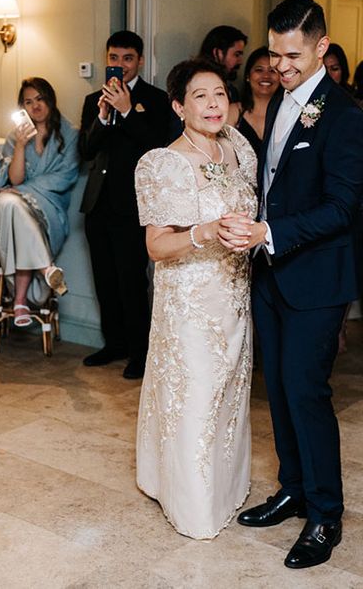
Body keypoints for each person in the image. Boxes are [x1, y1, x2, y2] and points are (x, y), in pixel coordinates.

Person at [223, 0, 363, 569]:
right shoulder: (281, 99)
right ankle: (294, 489)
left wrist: (268, 232)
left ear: (321, 48)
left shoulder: (346, 115)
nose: (278, 66)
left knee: (307, 392)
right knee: (277, 389)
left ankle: (326, 513)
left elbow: (344, 207)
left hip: (317, 278)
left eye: (292, 55)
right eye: (275, 53)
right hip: (270, 273)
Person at [134, 58, 256, 539]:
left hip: (234, 295)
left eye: (220, 94)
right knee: (197, 396)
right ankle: (194, 506)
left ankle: (228, 487)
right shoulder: (163, 163)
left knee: (229, 393)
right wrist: (204, 232)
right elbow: (157, 246)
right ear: (179, 105)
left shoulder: (238, 147)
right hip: (190, 300)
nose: (212, 104)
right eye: (200, 96)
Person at [78, 30, 170, 379]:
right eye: (114, 58)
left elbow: (158, 147)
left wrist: (128, 111)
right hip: (99, 203)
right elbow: (85, 151)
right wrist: (103, 117)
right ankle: (113, 343)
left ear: (140, 61)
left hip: (134, 206)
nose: (120, 65)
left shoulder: (156, 99)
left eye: (127, 58)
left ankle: (140, 352)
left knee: (132, 281)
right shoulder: (93, 100)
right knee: (105, 279)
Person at [0, 77, 78, 325]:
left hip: (49, 208)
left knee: (14, 208)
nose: (36, 106)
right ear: (22, 107)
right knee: (9, 204)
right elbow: (15, 179)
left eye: (40, 99)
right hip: (11, 201)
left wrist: (25, 192)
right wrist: (20, 145)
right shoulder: (15, 137)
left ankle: (19, 302)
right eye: (28, 102)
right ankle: (46, 269)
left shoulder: (69, 134)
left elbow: (65, 177)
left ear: (50, 99)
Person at [236, 46, 280, 154]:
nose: (266, 76)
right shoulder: (234, 112)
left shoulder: (289, 112)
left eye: (272, 70)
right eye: (259, 70)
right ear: (247, 76)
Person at [199, 25, 248, 105]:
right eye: (236, 54)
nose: (240, 61)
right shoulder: (195, 87)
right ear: (218, 53)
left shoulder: (232, 91)